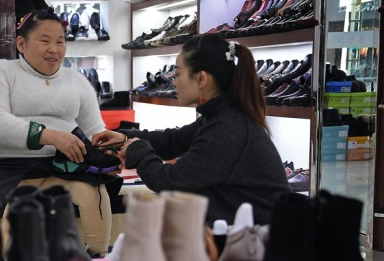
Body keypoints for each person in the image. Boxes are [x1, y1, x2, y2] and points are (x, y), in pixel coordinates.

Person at [93, 34, 291, 225]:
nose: (173, 81)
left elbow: (171, 182)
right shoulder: (220, 117)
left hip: (265, 241)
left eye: (178, 73)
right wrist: (124, 137)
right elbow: (174, 140)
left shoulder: (227, 129)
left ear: (201, 79)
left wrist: (137, 150)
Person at [0, 7, 113, 256]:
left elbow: (95, 131)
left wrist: (110, 151)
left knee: (95, 191)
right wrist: (47, 135)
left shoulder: (77, 81)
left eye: (60, 41)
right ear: (21, 44)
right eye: (45, 41)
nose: (54, 49)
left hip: (59, 166)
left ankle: (96, 258)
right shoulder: (1, 72)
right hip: (3, 166)